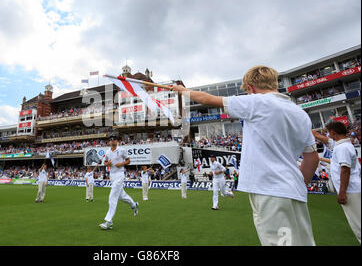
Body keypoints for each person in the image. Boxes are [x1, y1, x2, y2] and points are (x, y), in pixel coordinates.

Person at [173, 65, 319, 246]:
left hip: (270, 189)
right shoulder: (301, 114)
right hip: (294, 189)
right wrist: (296, 185)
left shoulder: (258, 101)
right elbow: (312, 158)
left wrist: (183, 91)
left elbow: (207, 99)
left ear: (251, 88)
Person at [324, 121, 361, 243]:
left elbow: (345, 169)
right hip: (354, 188)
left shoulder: (342, 147)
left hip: (350, 190)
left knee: (358, 226)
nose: (328, 135)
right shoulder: (346, 145)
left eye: (329, 132)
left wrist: (342, 192)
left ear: (333, 132)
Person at [99, 135, 139, 230]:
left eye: (114, 139)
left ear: (117, 141)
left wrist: (121, 164)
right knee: (122, 196)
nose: (112, 141)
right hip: (112, 176)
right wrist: (107, 163)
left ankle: (109, 221)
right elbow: (105, 162)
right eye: (111, 139)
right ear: (109, 142)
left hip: (120, 175)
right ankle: (134, 205)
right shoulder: (107, 152)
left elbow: (128, 160)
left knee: (112, 197)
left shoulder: (122, 150)